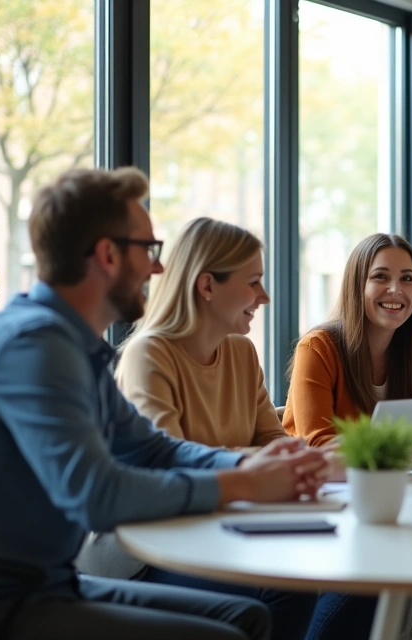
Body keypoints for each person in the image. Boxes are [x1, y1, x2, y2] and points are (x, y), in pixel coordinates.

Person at [0, 167, 328, 640]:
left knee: (247, 618)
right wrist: (239, 483)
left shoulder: (73, 345)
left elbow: (155, 449)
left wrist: (255, 469)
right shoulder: (32, 346)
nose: (158, 268)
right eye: (148, 250)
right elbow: (96, 496)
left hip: (47, 585)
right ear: (107, 255)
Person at [74, 216, 316, 640]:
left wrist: (297, 460)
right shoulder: (148, 356)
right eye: (254, 281)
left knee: (328, 581)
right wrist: (264, 468)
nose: (265, 296)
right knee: (271, 590)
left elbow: (273, 441)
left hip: (225, 529)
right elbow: (169, 465)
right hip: (144, 553)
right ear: (207, 286)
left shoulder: (241, 353)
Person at [281, 232, 412, 640]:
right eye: (381, 277)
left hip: (393, 508)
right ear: (357, 285)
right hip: (321, 514)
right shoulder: (320, 347)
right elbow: (316, 446)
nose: (396, 290)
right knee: (379, 582)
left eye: (408, 278)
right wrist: (408, 453)